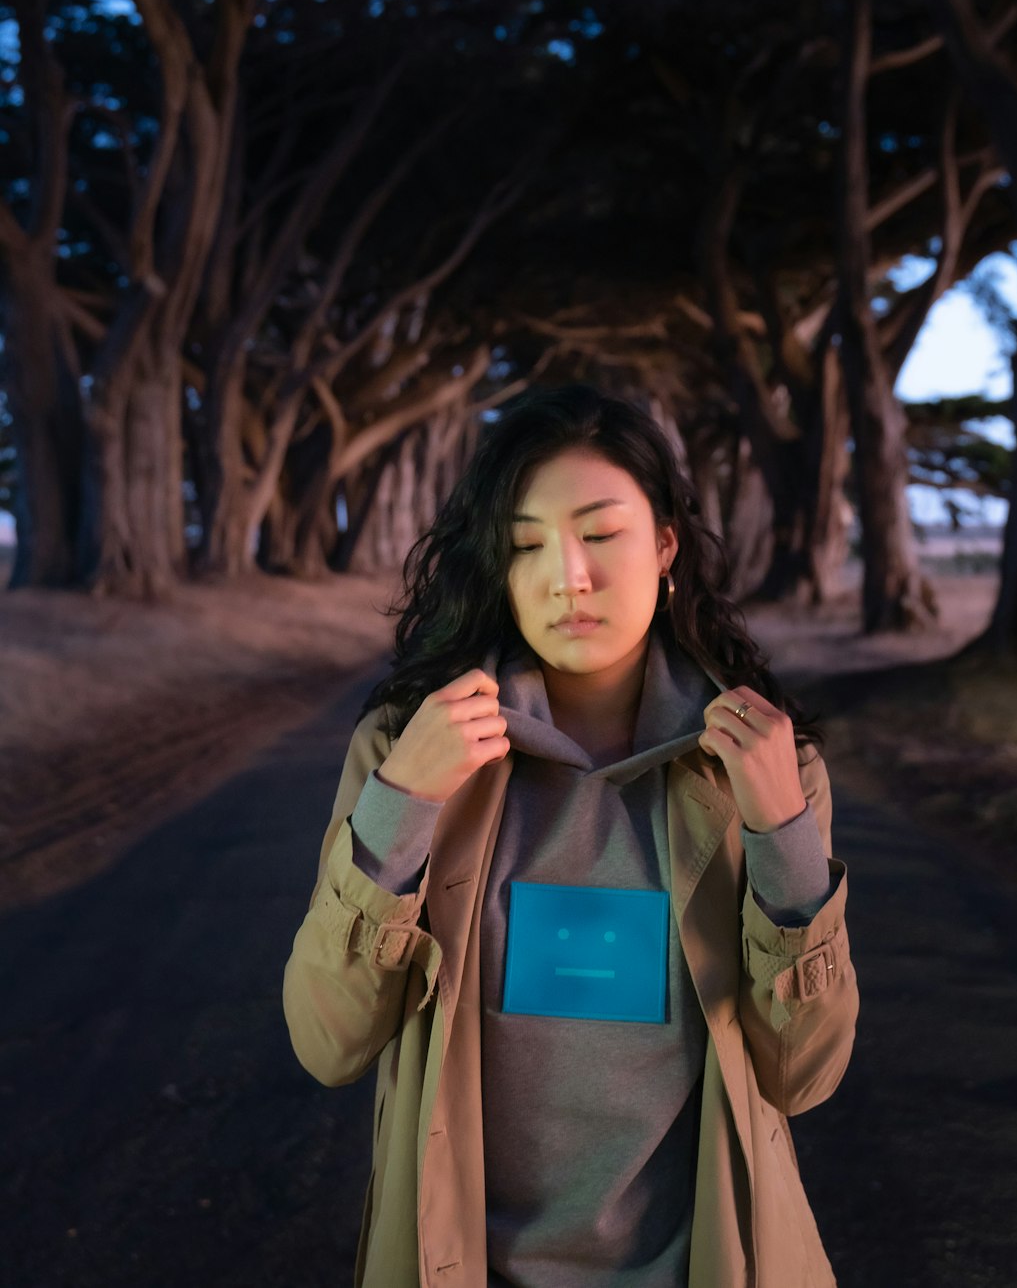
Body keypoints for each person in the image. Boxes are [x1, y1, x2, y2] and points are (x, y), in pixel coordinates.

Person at [283, 382, 859, 1288]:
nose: (568, 577)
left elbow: (804, 1075)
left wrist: (782, 833)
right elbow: (329, 1042)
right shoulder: (408, 748)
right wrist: (402, 805)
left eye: (599, 535)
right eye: (525, 545)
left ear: (666, 543)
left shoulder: (763, 766)